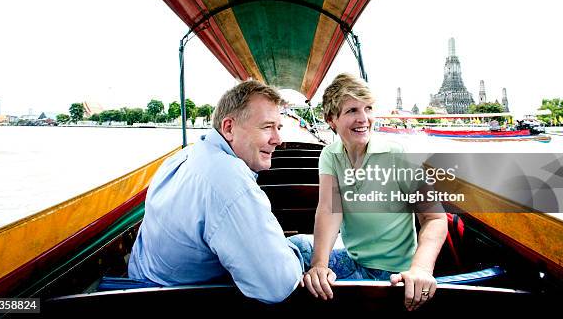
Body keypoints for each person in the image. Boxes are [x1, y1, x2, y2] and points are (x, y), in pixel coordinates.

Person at [128, 80, 303, 303]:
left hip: (141, 281)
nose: (278, 140)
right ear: (229, 128)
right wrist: (291, 247)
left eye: (279, 128)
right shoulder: (228, 179)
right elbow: (277, 286)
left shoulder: (182, 157)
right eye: (267, 127)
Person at [290, 73, 447, 311]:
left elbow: (435, 218)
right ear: (331, 119)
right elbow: (329, 210)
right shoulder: (330, 155)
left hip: (392, 276)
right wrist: (320, 265)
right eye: (352, 110)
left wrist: (420, 269)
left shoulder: (396, 154)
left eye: (368, 108)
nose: (364, 119)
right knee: (292, 247)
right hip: (353, 261)